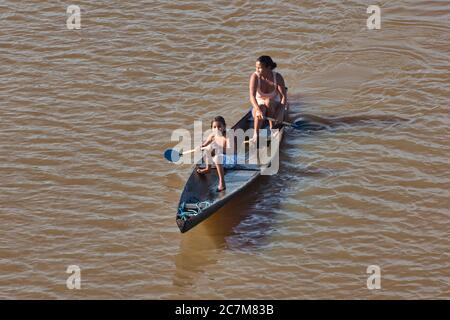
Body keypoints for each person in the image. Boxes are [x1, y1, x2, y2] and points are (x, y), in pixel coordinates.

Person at [249, 55, 288, 143]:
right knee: (262, 107)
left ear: (269, 67)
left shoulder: (277, 77)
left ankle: (273, 129)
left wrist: (281, 112)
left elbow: (284, 97)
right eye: (256, 67)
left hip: (275, 104)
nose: (257, 70)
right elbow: (252, 97)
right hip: (260, 105)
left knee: (268, 101)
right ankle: (256, 135)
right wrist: (258, 110)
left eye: (259, 68)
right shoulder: (254, 77)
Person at [196, 116, 229, 192]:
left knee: (216, 156)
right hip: (219, 159)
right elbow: (204, 145)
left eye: (219, 126)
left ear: (224, 127)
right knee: (208, 148)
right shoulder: (212, 136)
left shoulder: (227, 137)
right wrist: (200, 147)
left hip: (229, 160)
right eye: (214, 127)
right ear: (212, 129)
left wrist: (217, 149)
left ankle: (222, 183)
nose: (217, 129)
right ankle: (208, 169)